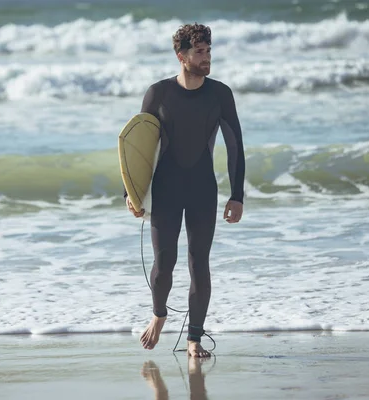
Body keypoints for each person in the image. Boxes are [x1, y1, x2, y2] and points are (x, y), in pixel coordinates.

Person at [124, 23, 246, 358]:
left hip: (202, 188)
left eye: (209, 51)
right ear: (181, 56)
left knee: (199, 263)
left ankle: (194, 339)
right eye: (200, 52)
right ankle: (159, 314)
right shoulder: (158, 93)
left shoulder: (220, 94)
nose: (207, 58)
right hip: (165, 189)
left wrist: (237, 195)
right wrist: (131, 194)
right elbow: (138, 149)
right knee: (165, 263)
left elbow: (234, 145)